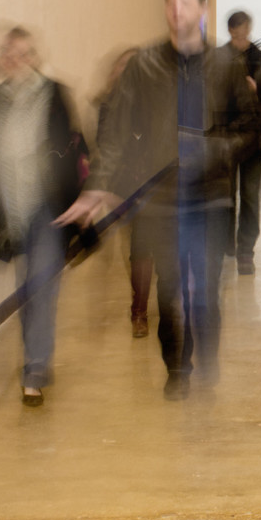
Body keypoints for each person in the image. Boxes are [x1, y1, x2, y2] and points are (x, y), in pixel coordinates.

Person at [58, 0, 255, 400]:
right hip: (162, 202)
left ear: (202, 8)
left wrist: (211, 150)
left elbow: (251, 132)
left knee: (204, 291)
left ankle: (209, 358)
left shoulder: (225, 66)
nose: (175, 10)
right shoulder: (143, 65)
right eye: (170, 2)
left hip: (211, 199)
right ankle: (177, 368)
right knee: (169, 293)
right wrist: (97, 187)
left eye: (184, 2)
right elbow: (115, 133)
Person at [0, 27, 87, 406]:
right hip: (10, 210)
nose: (16, 59)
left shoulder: (53, 94)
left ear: (33, 58)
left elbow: (73, 147)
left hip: (46, 207)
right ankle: (35, 354)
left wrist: (80, 201)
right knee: (27, 288)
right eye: (10, 52)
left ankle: (35, 368)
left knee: (41, 284)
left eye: (24, 53)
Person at [95, 46, 153, 337]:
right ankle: (139, 308)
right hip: (125, 188)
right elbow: (105, 146)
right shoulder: (109, 106)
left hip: (156, 184)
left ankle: (142, 309)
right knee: (137, 249)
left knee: (147, 248)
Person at [224, 11, 261, 275]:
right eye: (237, 30)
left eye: (245, 29)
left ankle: (246, 251)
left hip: (256, 138)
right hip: (224, 139)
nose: (241, 34)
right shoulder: (217, 60)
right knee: (225, 197)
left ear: (249, 29)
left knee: (249, 197)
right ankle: (226, 244)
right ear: (230, 31)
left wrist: (255, 89)